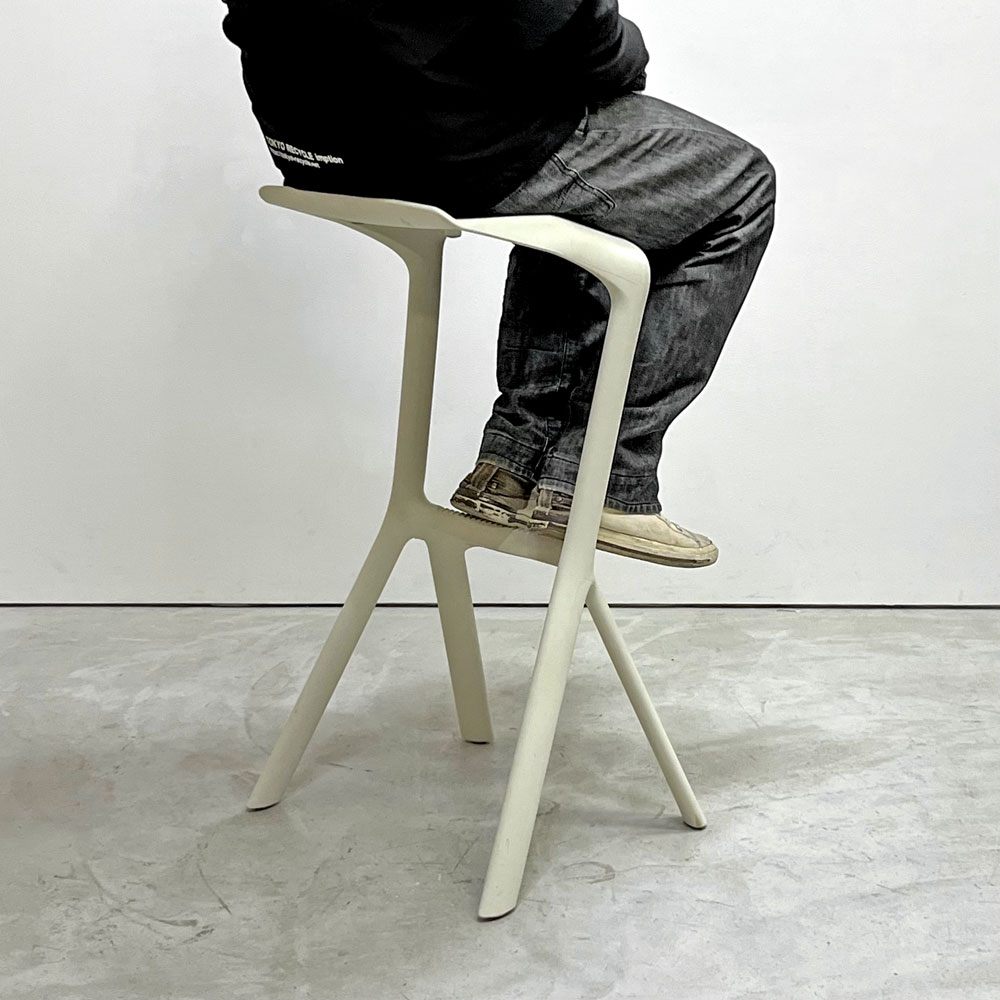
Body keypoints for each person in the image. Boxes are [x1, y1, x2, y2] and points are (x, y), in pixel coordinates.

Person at [220, 0, 776, 568]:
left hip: (314, 145)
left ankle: (512, 464)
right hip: (446, 145)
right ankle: (606, 477)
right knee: (741, 182)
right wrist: (626, 54)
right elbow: (568, 26)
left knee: (587, 187)